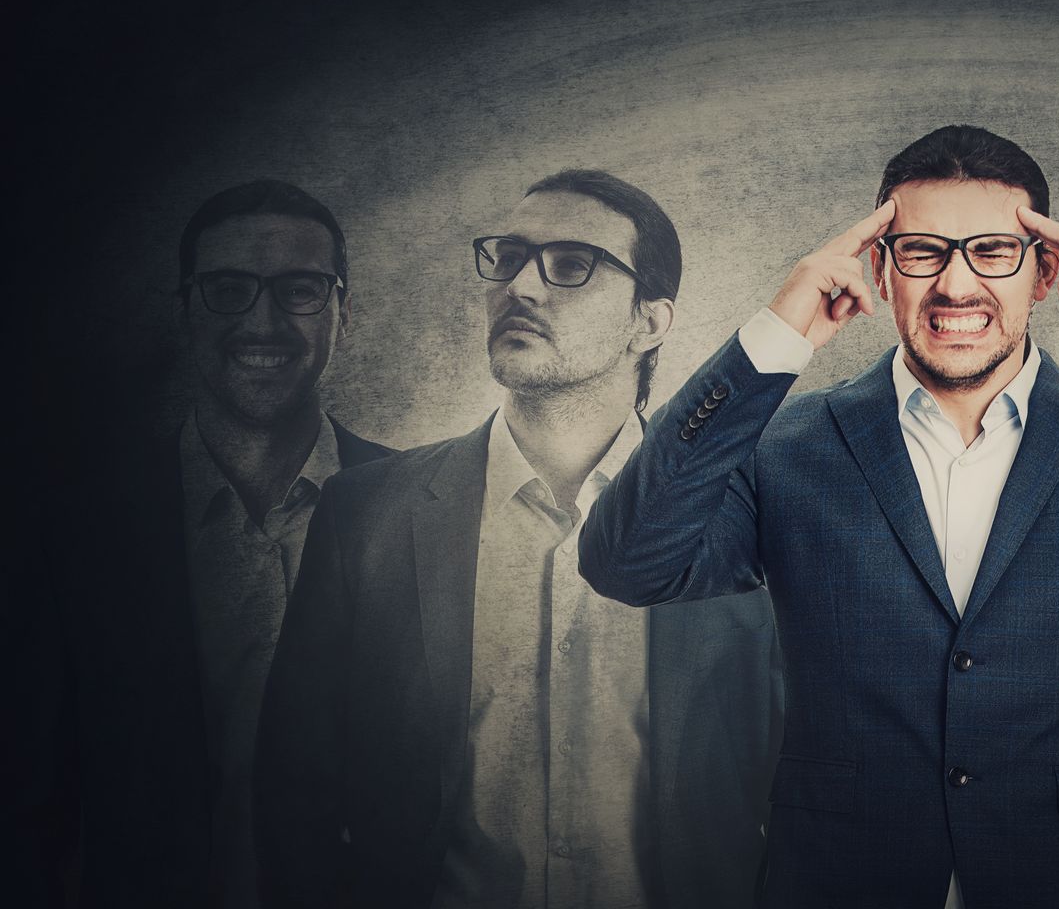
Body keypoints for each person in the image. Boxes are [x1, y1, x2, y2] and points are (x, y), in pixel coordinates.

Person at [578, 125, 1059, 909]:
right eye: (924, 252)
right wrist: (775, 333)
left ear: (1043, 274)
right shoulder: (786, 448)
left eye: (993, 252)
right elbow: (627, 560)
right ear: (880, 268)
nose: (956, 285)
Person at [255, 169, 783, 909]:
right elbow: (293, 795)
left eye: (571, 266)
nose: (521, 288)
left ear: (650, 321)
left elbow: (807, 785)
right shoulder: (365, 513)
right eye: (507, 258)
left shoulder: (753, 518)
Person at [53, 180, 391, 907]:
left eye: (300, 289)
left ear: (344, 313)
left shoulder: (425, 509)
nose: (262, 322)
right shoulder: (73, 536)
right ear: (183, 310)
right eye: (228, 288)